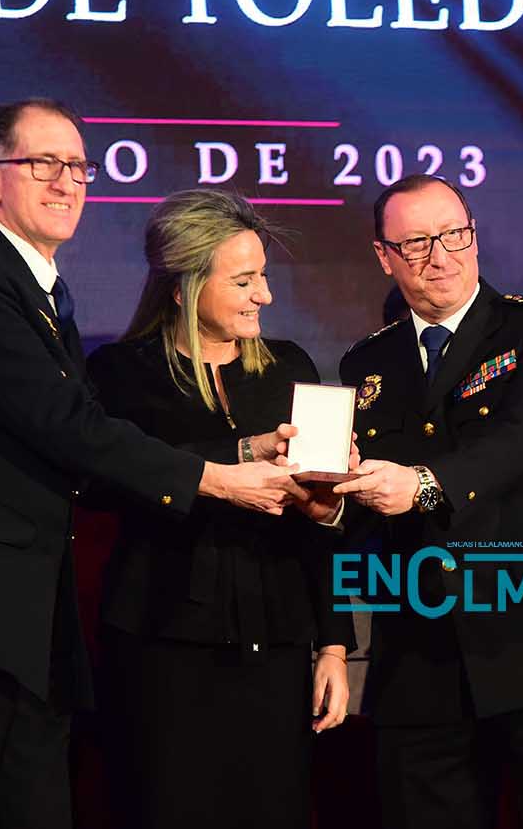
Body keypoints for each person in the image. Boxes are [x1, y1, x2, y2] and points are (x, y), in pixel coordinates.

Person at [0, 98, 300, 829]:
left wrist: (242, 451)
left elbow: (81, 446)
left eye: (78, 166)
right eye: (43, 164)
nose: (67, 182)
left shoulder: (39, 291)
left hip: (25, 626)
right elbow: (65, 425)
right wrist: (217, 480)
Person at [331, 173, 523, 829]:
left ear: (473, 236)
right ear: (383, 256)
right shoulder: (365, 365)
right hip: (421, 656)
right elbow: (361, 501)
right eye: (415, 243)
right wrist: (330, 499)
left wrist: (423, 484)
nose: (439, 256)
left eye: (453, 235)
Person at [86, 190, 354, 828]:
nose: (265, 294)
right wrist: (237, 455)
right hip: (162, 647)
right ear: (183, 287)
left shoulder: (288, 367)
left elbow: (321, 527)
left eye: (263, 275)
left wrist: (334, 647)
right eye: (243, 280)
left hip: (276, 646)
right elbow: (108, 482)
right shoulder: (121, 374)